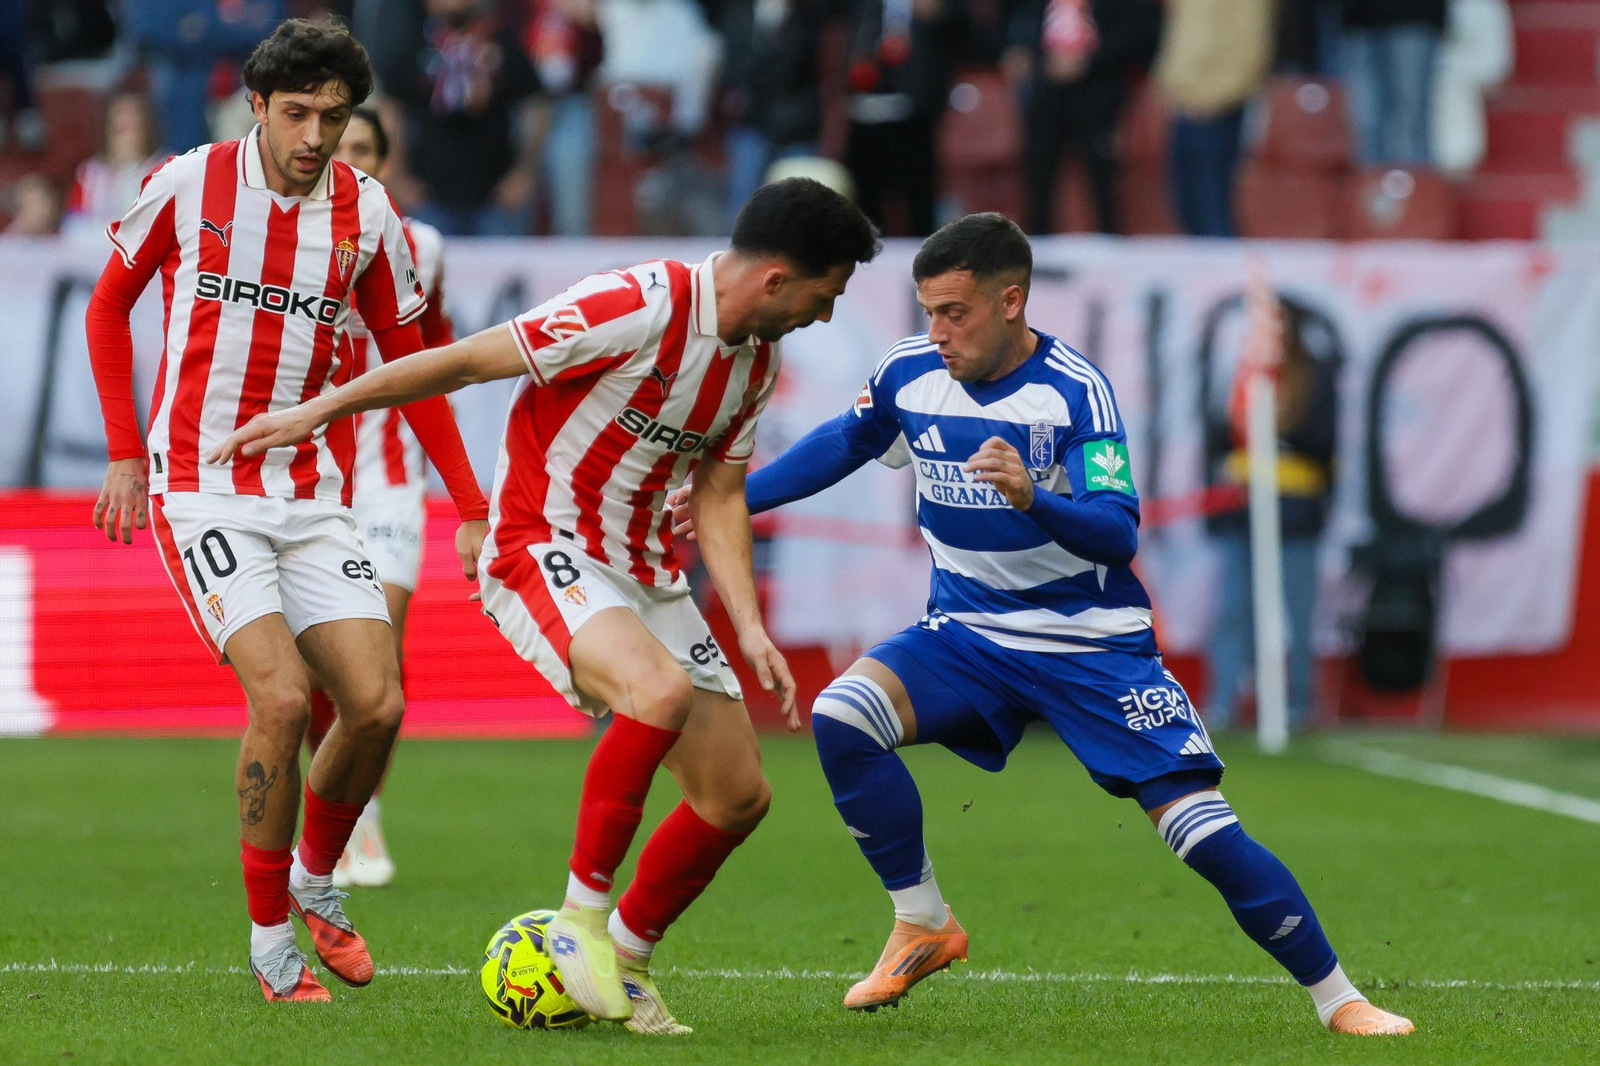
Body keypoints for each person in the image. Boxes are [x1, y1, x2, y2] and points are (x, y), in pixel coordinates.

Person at [671, 213, 1413, 1036]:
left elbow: (1118, 530)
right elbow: (845, 443)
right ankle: (922, 921)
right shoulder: (909, 371)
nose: (938, 331)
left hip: (1089, 643)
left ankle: (1340, 998)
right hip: (967, 633)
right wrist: (730, 497)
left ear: (1011, 300)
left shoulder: (1074, 391)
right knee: (843, 715)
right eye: (928, 311)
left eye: (955, 312)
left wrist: (1034, 498)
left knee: (1200, 831)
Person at [209, 177, 881, 1033]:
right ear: (778, 278)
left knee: (739, 794)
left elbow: (717, 494)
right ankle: (578, 922)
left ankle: (627, 962)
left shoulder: (754, 361)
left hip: (645, 574)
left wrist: (747, 625)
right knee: (658, 695)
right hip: (542, 544)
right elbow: (462, 360)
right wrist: (321, 408)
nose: (821, 319)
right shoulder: (635, 304)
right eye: (822, 298)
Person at [84, 17, 490, 1004]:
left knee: (378, 703)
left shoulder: (369, 214)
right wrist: (124, 455)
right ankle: (272, 942)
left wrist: (472, 503)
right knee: (276, 697)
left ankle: (315, 872)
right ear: (257, 105)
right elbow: (107, 306)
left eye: (334, 116)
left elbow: (411, 364)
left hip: (311, 496)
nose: (315, 135)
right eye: (298, 112)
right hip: (201, 484)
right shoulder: (191, 183)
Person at [294, 106, 459, 889]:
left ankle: (363, 816)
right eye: (340, 147)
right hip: (305, 478)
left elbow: (438, 358)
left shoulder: (420, 247)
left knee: (378, 655)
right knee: (311, 672)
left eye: (364, 149)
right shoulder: (283, 236)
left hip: (390, 480)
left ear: (384, 164)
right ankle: (336, 808)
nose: (348, 159)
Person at [1154, 0, 1273, 237]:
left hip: (1216, 108)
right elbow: (1181, 38)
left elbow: (1251, 48)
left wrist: (1216, 97)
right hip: (1182, 103)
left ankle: (1230, 272)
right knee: (1186, 207)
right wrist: (1169, 88)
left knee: (1213, 209)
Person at [62, 92, 167, 240]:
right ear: (107, 130)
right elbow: (72, 226)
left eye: (134, 128)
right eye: (120, 130)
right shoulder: (90, 173)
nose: (127, 138)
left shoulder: (166, 169)